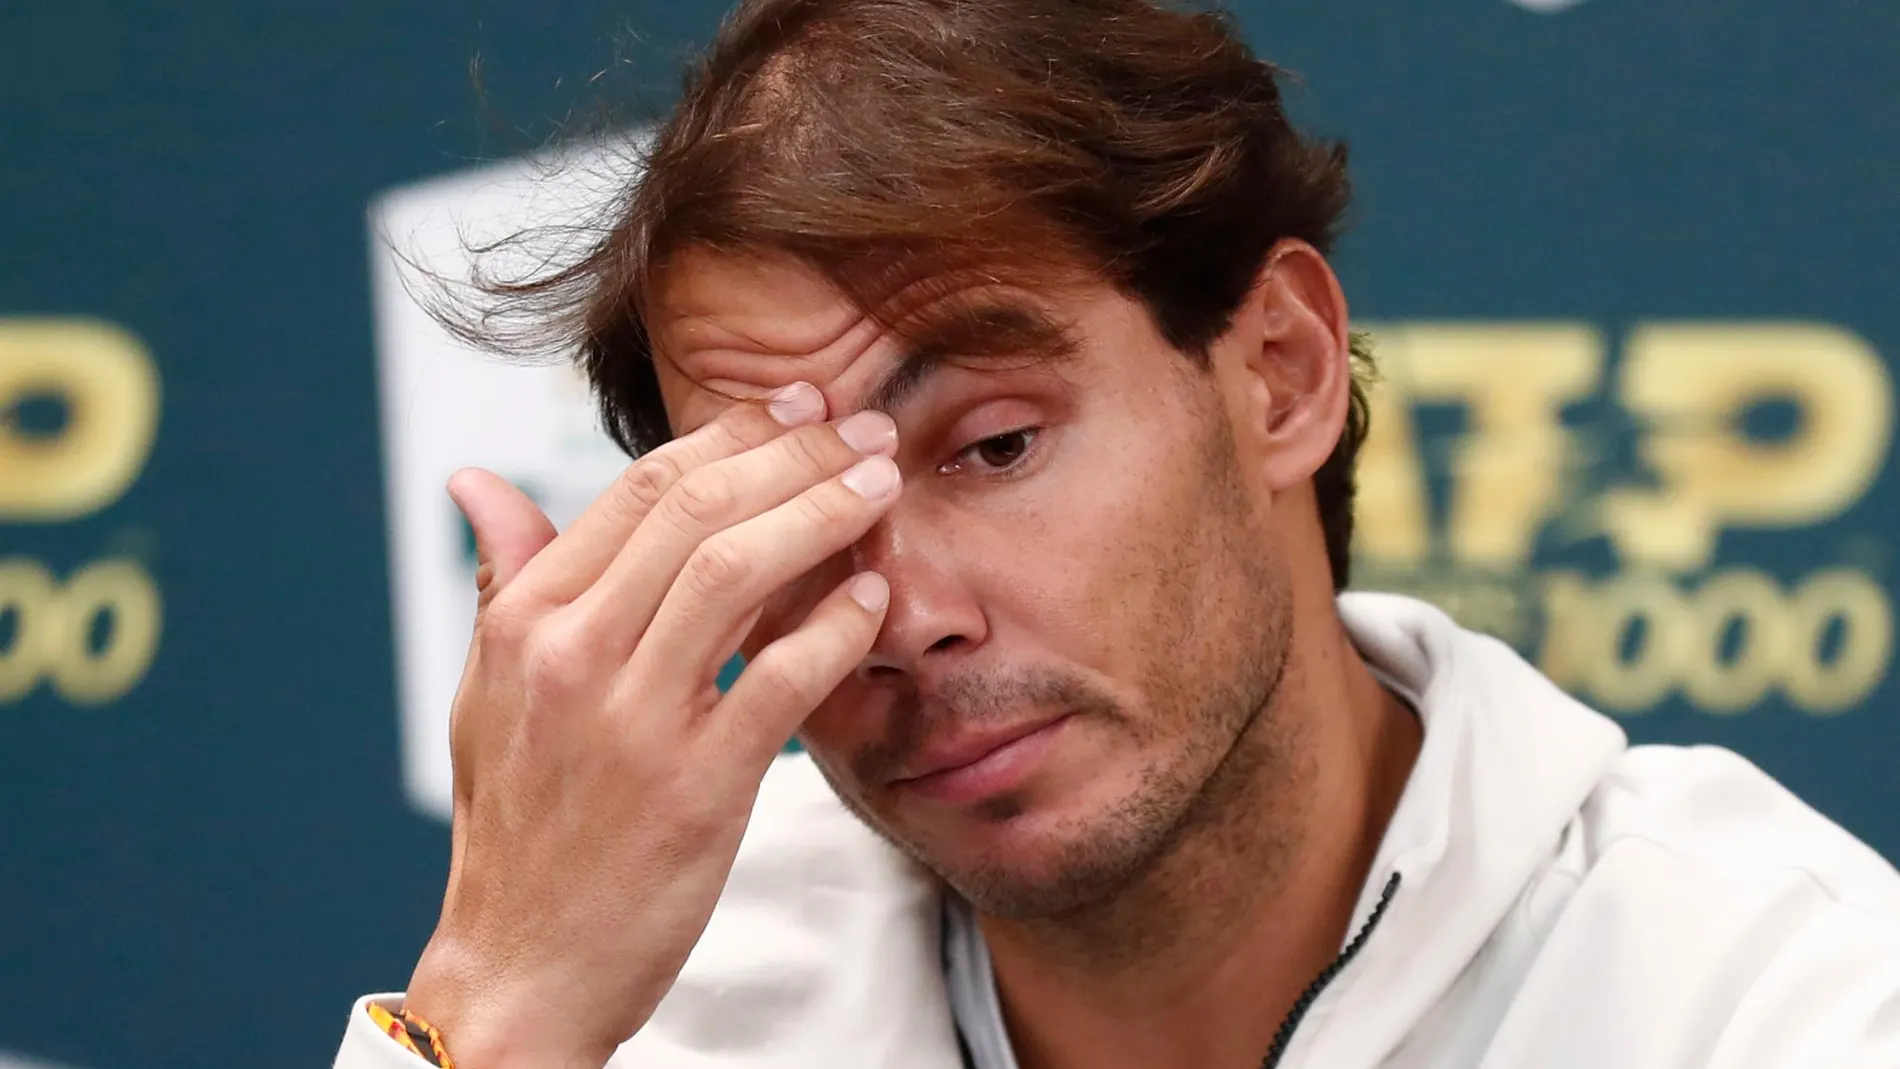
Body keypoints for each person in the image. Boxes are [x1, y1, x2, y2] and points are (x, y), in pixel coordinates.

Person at [336, 0, 1900, 1065]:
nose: (901, 616)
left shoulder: (1770, 1002)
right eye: (789, 512)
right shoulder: (653, 1008)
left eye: (996, 446)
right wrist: (501, 1007)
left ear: (1278, 373)